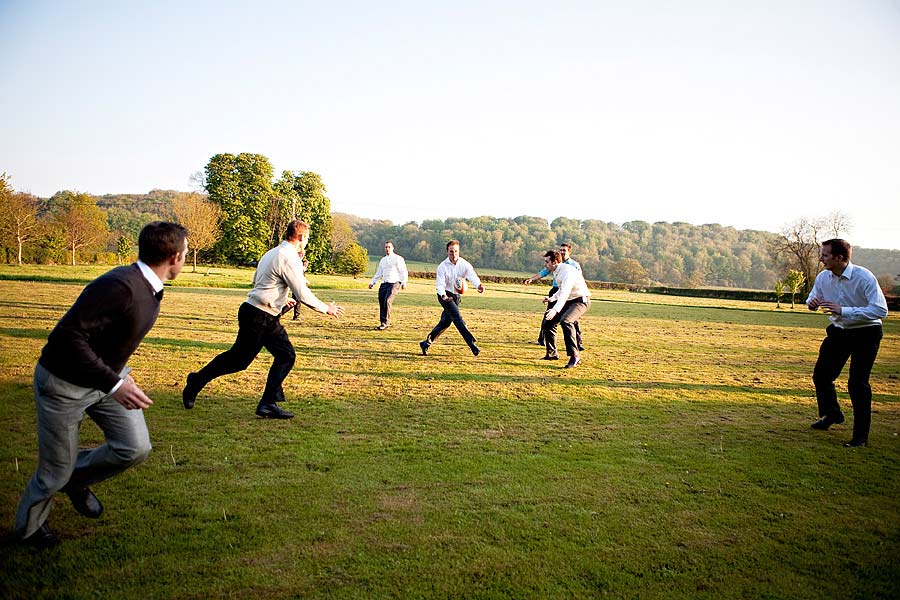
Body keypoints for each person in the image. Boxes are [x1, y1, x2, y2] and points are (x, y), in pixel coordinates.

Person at [15, 221, 189, 549]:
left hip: (106, 379)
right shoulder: (120, 285)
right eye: (186, 252)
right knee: (54, 471)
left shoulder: (148, 285)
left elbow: (108, 336)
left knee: (134, 447)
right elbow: (67, 338)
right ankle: (28, 529)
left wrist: (119, 372)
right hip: (63, 384)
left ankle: (75, 479)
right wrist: (114, 383)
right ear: (175, 257)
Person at [182, 220, 345, 419]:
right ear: (301, 237)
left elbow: (261, 282)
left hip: (256, 312)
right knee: (277, 357)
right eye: (307, 238)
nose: (307, 242)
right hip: (261, 316)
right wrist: (326, 308)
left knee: (242, 359)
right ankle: (264, 401)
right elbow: (302, 293)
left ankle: (199, 382)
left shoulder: (272, 252)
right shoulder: (289, 257)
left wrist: (282, 300)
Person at [806, 238, 888, 447]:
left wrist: (844, 310)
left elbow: (880, 310)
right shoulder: (824, 278)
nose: (821, 258)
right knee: (822, 376)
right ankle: (831, 414)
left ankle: (860, 437)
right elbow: (813, 297)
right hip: (839, 332)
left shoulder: (864, 277)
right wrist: (812, 303)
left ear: (839, 257)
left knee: (857, 383)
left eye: (825, 255)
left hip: (866, 333)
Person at [419, 239, 484, 356]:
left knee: (445, 323)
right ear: (447, 252)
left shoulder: (465, 264)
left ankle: (426, 343)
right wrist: (444, 296)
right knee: (458, 319)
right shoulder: (442, 267)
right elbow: (439, 285)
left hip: (456, 296)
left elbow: (472, 275)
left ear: (459, 251)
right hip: (445, 295)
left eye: (456, 251)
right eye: (451, 251)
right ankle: (472, 344)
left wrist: (478, 285)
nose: (453, 254)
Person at [525, 242, 584, 350]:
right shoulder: (554, 267)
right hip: (557, 292)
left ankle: (578, 344)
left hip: (571, 294)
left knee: (569, 319)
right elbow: (544, 272)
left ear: (569, 251)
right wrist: (532, 279)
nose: (562, 252)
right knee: (549, 318)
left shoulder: (573, 266)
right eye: (560, 250)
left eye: (564, 250)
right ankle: (544, 342)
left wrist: (556, 309)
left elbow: (569, 289)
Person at [540, 249, 591, 368]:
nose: (545, 264)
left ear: (555, 262)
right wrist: (551, 299)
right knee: (548, 323)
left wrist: (555, 309)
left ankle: (575, 356)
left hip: (580, 300)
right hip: (569, 300)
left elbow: (565, 293)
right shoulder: (557, 271)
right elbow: (561, 290)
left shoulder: (567, 272)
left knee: (566, 321)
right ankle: (552, 354)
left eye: (547, 262)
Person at [368, 241, 408, 330]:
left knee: (387, 300)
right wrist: (372, 282)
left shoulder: (398, 258)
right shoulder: (383, 260)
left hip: (394, 283)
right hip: (384, 283)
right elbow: (379, 273)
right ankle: (382, 322)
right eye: (386, 247)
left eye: (389, 247)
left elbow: (403, 271)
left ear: (393, 248)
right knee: (382, 302)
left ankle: (385, 322)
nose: (387, 249)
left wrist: (404, 282)